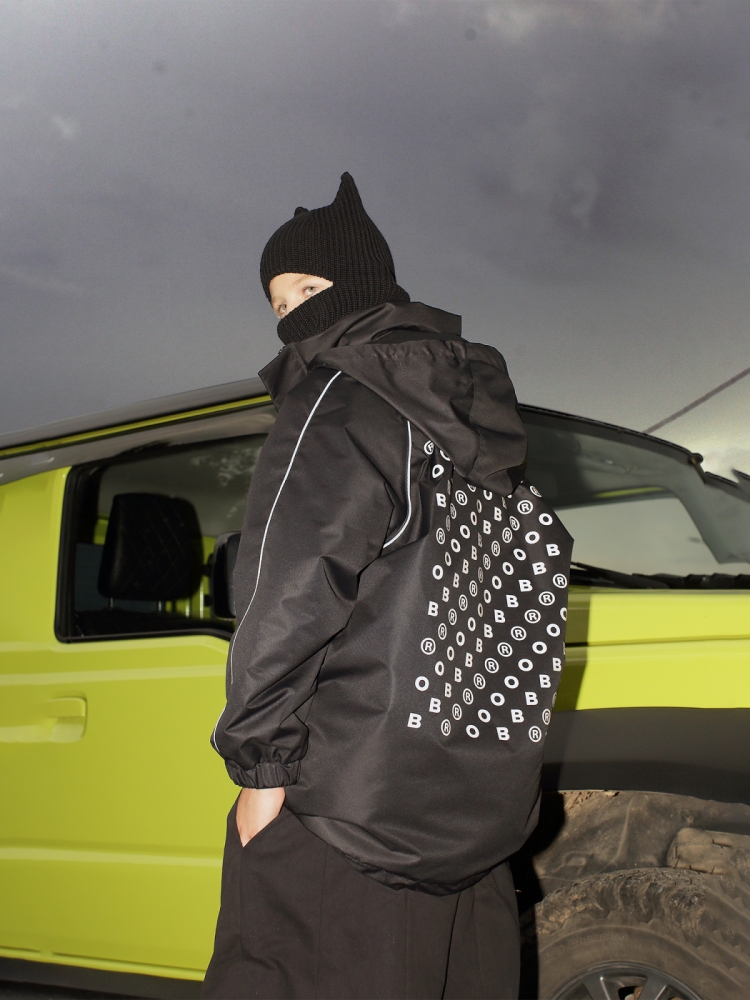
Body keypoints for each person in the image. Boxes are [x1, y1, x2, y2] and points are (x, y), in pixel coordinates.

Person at [202, 173, 573, 1000]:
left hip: (345, 815)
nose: (290, 319)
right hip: (474, 822)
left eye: (307, 290)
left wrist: (262, 772)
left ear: (364, 285)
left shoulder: (340, 397)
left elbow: (290, 587)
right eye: (277, 302)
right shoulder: (482, 432)